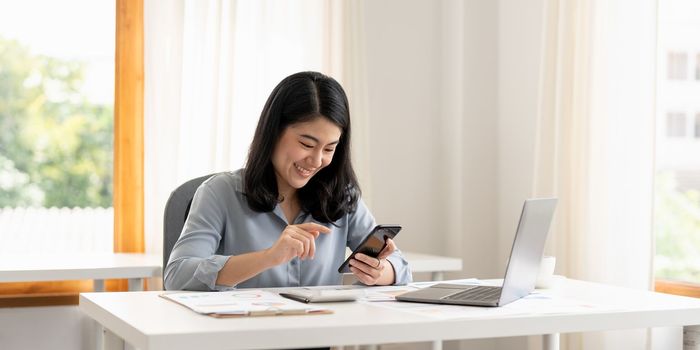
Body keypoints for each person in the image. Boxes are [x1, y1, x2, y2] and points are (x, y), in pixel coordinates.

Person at [164, 71, 412, 292]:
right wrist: (269, 257)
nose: (316, 160)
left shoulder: (342, 196)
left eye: (329, 149)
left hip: (315, 336)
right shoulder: (220, 193)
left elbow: (400, 266)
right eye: (306, 144)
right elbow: (177, 274)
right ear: (273, 131)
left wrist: (380, 272)